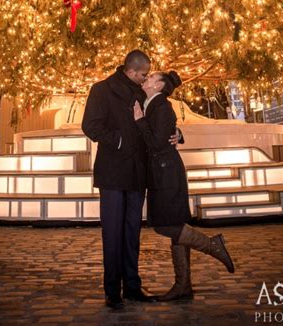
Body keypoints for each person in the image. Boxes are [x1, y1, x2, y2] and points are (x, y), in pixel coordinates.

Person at [82, 50, 181, 310]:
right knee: (112, 233)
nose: (145, 78)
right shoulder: (101, 90)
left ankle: (133, 287)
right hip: (113, 174)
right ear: (132, 70)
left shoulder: (142, 92)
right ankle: (112, 290)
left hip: (138, 175)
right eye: (143, 74)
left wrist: (176, 133)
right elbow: (90, 126)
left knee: (132, 234)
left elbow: (159, 119)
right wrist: (120, 140)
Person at [133, 70, 235, 301]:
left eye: (150, 78)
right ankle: (183, 285)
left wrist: (139, 121)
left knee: (164, 225)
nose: (145, 78)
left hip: (166, 174)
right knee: (173, 226)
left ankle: (213, 245)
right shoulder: (152, 103)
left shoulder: (160, 106)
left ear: (158, 86)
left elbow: (157, 144)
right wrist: (176, 132)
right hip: (162, 171)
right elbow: (164, 132)